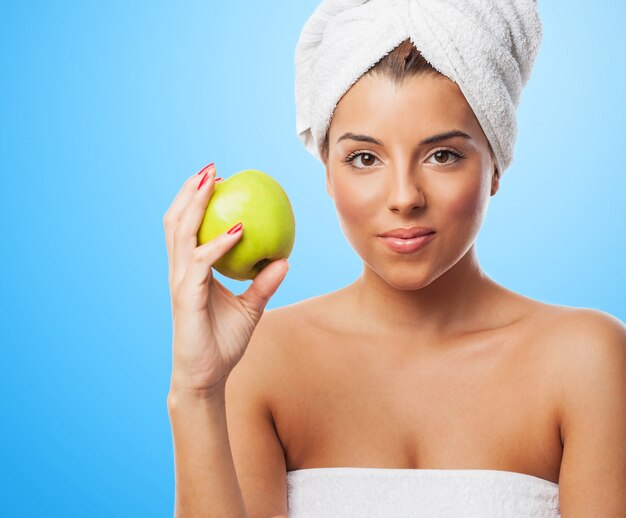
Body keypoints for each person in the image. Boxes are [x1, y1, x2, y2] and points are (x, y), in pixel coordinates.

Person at [164, 2, 626, 517]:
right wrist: (198, 391)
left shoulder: (587, 359)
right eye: (365, 158)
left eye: (443, 154)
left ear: (496, 164)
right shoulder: (259, 358)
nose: (404, 196)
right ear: (327, 173)